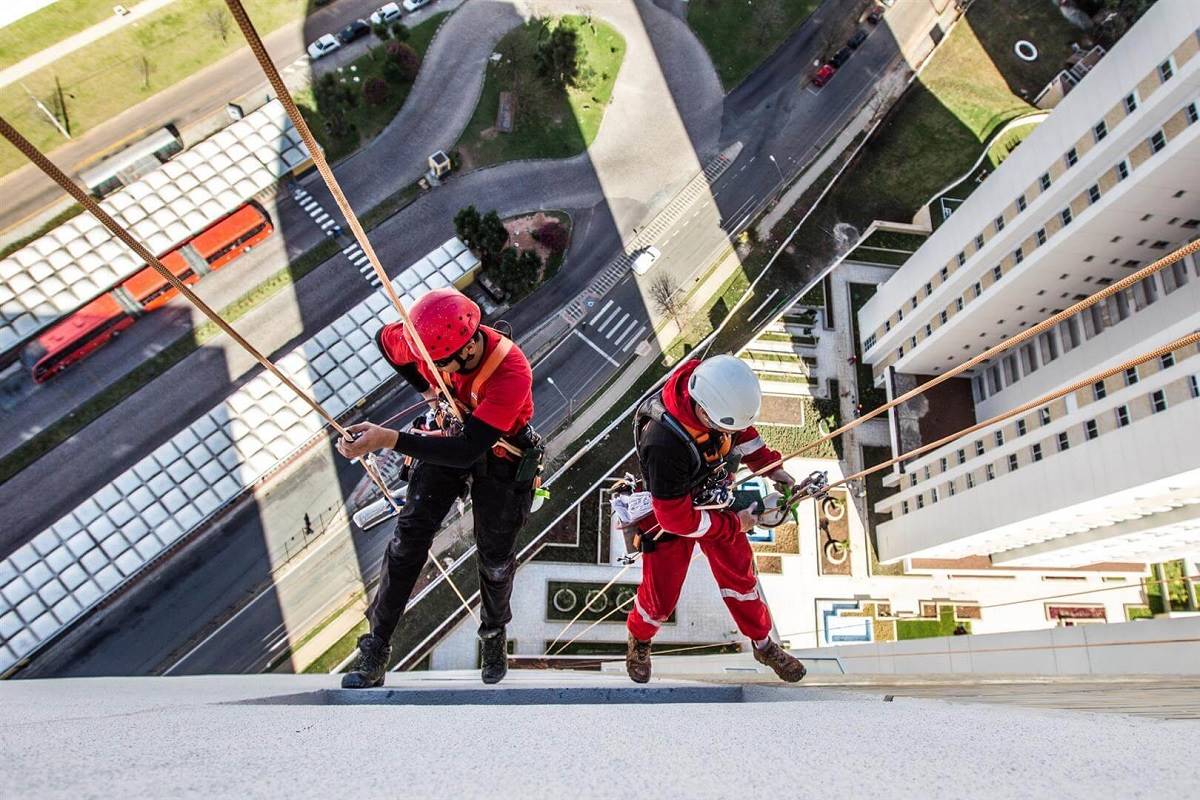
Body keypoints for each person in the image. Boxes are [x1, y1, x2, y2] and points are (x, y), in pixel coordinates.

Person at [335, 288, 539, 687]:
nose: (434, 366)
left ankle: (494, 633)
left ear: (467, 349)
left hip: (497, 450)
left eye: (441, 364)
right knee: (408, 538)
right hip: (451, 434)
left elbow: (467, 450)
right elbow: (385, 340)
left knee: (495, 555)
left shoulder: (511, 371)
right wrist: (429, 392)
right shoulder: (427, 343)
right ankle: (376, 645)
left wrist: (387, 439)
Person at [624, 354, 808, 684]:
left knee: (741, 579)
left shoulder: (714, 387)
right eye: (726, 426)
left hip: (711, 496)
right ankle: (639, 638)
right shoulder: (663, 443)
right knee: (660, 593)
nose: (732, 432)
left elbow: (743, 432)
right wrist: (736, 525)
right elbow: (677, 521)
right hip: (671, 513)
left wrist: (769, 464)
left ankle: (764, 644)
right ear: (705, 413)